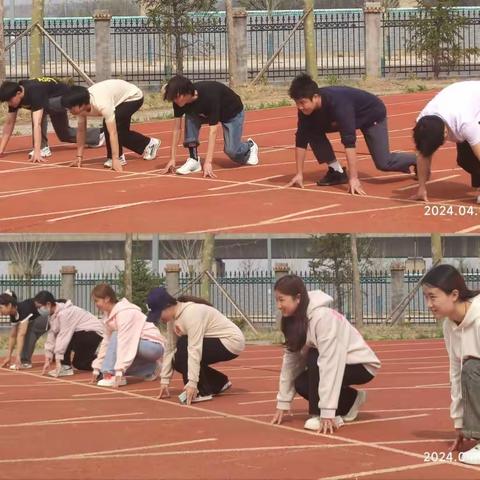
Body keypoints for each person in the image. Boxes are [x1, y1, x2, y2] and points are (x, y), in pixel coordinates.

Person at [270, 275, 380, 433]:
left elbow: (330, 364)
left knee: (313, 355)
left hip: (360, 365)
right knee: (301, 382)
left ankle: (318, 414)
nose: (278, 305)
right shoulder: (293, 322)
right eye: (277, 300)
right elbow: (291, 362)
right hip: (335, 361)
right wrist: (283, 402)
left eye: (282, 300)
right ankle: (351, 399)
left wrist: (327, 413)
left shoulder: (323, 318)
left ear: (298, 298)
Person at [286, 74, 417, 195]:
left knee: (384, 163)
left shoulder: (339, 104)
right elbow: (301, 139)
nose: (300, 107)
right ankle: (337, 171)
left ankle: (417, 160)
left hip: (371, 115)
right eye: (297, 103)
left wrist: (354, 178)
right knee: (310, 130)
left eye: (302, 102)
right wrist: (299, 174)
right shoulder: (304, 111)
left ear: (315, 97)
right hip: (345, 116)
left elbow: (349, 141)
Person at [421, 264, 480, 465]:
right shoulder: (449, 325)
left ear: (454, 295)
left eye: (433, 297)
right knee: (468, 368)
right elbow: (455, 372)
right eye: (425, 297)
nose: (428, 304)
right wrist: (459, 422)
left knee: (472, 368)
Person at [146, 287, 245, 405]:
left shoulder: (191, 313)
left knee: (183, 345)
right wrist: (165, 380)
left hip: (231, 341)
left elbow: (194, 349)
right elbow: (170, 348)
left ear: (167, 305)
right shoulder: (172, 320)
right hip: (214, 341)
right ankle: (218, 382)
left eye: (158, 314)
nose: (159, 319)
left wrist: (192, 383)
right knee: (177, 360)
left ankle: (200, 391)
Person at [160, 75, 259, 178]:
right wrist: (172, 158)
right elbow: (177, 129)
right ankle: (194, 159)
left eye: (176, 97)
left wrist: (208, 162)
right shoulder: (179, 102)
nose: (174, 101)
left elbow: (213, 131)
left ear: (185, 92)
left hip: (232, 113)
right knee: (190, 116)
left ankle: (250, 146)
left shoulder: (210, 95)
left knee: (232, 151)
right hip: (204, 114)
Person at [61, 80, 160, 172]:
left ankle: (119, 157)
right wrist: (79, 157)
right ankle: (149, 144)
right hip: (116, 98)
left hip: (132, 97)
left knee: (111, 127)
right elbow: (81, 131)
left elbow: (112, 132)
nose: (69, 111)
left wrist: (115, 159)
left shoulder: (101, 103)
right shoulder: (80, 109)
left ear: (81, 104)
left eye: (70, 108)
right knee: (120, 131)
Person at [0, 78, 103, 162]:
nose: (9, 103)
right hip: (50, 99)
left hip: (65, 97)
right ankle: (99, 135)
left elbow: (37, 124)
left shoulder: (34, 92)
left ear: (18, 93)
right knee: (64, 135)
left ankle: (42, 148)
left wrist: (37, 151)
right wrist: (1, 150)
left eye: (9, 100)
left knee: (41, 109)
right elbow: (9, 123)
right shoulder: (14, 98)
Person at [413, 81, 480, 203]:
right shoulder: (423, 123)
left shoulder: (465, 123)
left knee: (472, 156)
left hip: (473, 103)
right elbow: (423, 154)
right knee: (464, 160)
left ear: (445, 134)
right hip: (461, 99)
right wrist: (421, 188)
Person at [91, 284, 165, 387]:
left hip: (153, 346)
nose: (96, 304)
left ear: (107, 299)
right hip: (135, 343)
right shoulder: (108, 316)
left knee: (116, 336)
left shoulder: (124, 313)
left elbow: (124, 341)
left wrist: (118, 371)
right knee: (118, 356)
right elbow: (106, 342)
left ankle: (110, 375)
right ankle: (152, 368)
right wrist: (97, 367)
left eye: (96, 301)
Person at [34, 291, 104, 377]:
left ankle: (65, 367)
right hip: (83, 333)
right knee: (80, 364)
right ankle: (104, 363)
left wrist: (58, 360)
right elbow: (52, 334)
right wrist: (47, 358)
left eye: (39, 307)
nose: (38, 310)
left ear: (48, 304)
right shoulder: (53, 315)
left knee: (64, 338)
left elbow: (63, 336)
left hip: (93, 332)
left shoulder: (65, 313)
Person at [0, 290, 46, 369]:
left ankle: (25, 361)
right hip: (40, 319)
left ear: (9, 305)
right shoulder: (13, 315)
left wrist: (18, 357)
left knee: (29, 330)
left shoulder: (23, 308)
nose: (0, 311)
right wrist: (8, 356)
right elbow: (13, 336)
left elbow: (21, 334)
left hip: (48, 317)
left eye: (1, 308)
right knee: (26, 329)